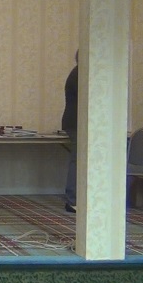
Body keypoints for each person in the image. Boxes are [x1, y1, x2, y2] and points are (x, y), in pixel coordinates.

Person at [61, 50, 79, 214]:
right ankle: (73, 199)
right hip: (77, 123)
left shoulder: (77, 73)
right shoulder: (80, 74)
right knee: (78, 160)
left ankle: (75, 198)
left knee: (79, 160)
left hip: (77, 122)